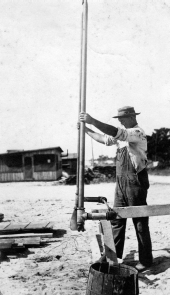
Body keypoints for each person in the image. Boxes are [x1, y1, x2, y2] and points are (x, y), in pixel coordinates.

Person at [79, 106, 153, 271]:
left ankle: (146, 260)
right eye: (118, 119)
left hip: (136, 181)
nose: (120, 121)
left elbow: (115, 132)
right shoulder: (122, 136)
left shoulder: (136, 132)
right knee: (117, 219)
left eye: (122, 119)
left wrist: (92, 121)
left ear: (132, 118)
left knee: (139, 220)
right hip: (121, 182)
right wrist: (86, 129)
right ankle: (114, 257)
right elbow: (105, 139)